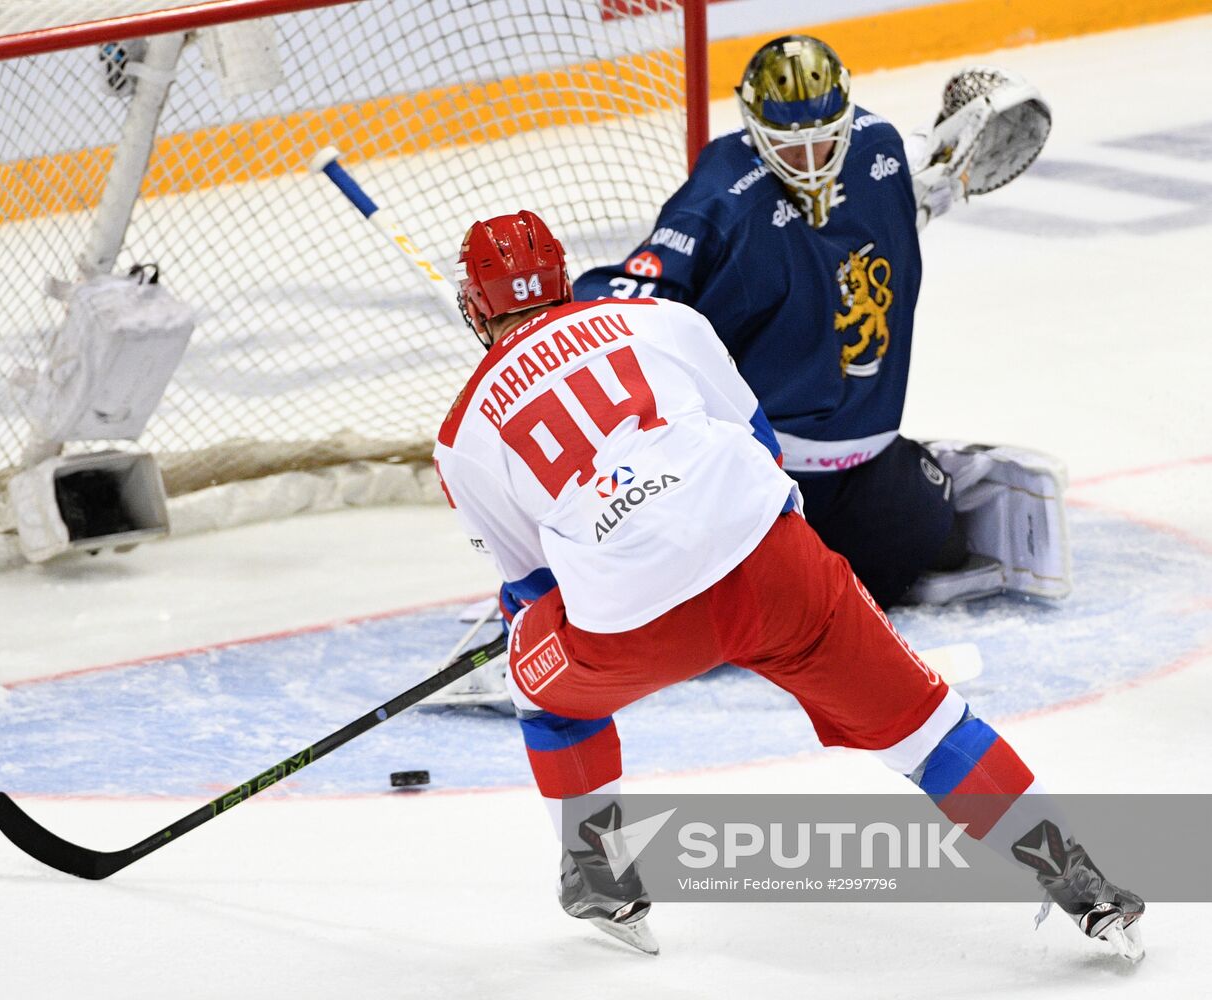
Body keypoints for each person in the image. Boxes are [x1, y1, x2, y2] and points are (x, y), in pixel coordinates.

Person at [432, 210, 1143, 958]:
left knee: (542, 697)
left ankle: (602, 878)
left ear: (475, 308)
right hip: (777, 566)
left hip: (637, 621)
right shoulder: (657, 319)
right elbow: (760, 441)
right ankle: (1080, 881)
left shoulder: (461, 433)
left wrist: (552, 616)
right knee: (930, 731)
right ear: (565, 280)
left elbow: (534, 590)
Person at [572, 35, 1067, 610]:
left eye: (823, 139)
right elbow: (637, 291)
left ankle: (922, 464)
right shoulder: (721, 193)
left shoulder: (879, 151)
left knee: (925, 557)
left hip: (866, 461)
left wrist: (944, 171)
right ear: (753, 125)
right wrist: (567, 329)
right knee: (749, 614)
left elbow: (919, 182)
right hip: (757, 474)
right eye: (788, 144)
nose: (808, 160)